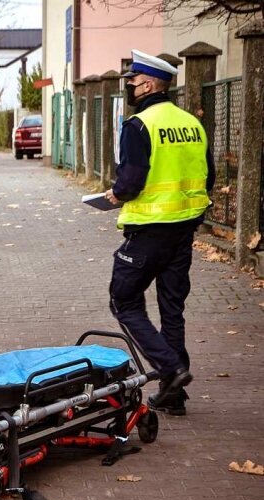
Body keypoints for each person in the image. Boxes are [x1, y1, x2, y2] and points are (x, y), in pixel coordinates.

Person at [105, 50, 215, 416]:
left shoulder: (139, 125)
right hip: (184, 230)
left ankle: (171, 369)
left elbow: (132, 183)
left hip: (150, 229)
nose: (131, 88)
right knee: (172, 308)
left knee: (124, 300)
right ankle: (174, 396)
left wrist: (115, 193)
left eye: (133, 82)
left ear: (149, 84)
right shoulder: (192, 123)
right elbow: (208, 176)